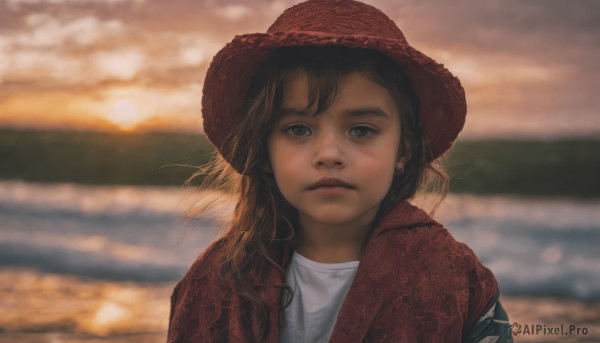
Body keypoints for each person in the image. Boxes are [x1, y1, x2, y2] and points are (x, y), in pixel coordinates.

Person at [167, 0, 513, 342]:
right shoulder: (213, 282)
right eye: (298, 129)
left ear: (404, 148)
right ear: (264, 149)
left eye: (361, 130)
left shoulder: (456, 280)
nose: (329, 155)